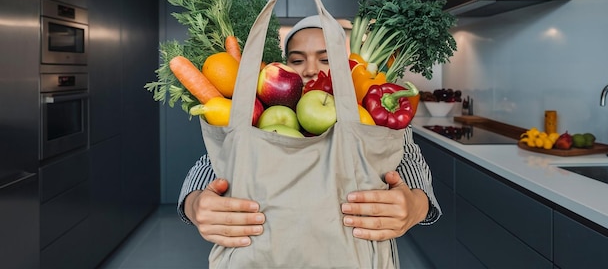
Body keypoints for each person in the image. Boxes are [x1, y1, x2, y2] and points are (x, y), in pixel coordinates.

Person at [178, 15, 441, 265]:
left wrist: (414, 206)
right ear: (283, 66)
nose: (311, 69)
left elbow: (408, 160)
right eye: (297, 60)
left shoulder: (367, 115)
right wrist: (195, 204)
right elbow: (210, 163)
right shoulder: (261, 107)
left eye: (326, 58)